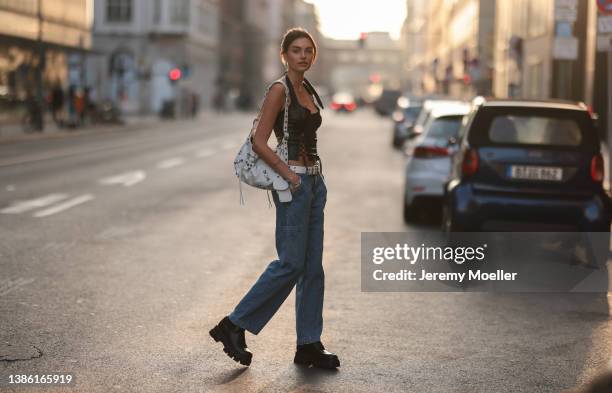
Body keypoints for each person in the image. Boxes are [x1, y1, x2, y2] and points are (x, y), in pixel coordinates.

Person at [210, 28, 340, 369]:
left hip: (315, 184)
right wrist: (289, 174)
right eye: (296, 50)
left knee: (313, 268)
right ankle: (234, 324)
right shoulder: (280, 90)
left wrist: (310, 180)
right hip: (294, 186)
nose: (303, 55)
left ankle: (309, 343)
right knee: (290, 264)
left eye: (308, 51)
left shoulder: (307, 88)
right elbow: (259, 141)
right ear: (285, 55)